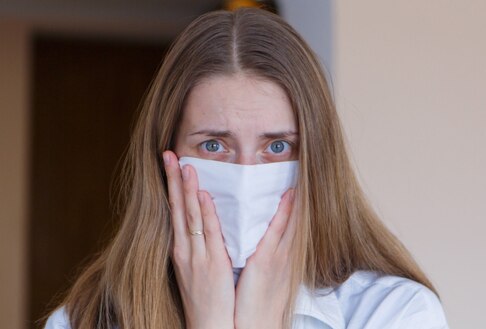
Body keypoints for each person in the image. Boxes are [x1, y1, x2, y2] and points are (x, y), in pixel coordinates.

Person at [43, 8, 449, 329]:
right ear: (165, 158)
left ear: (317, 162)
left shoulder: (396, 314)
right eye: (214, 145)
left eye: (277, 146)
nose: (245, 177)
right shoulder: (84, 321)